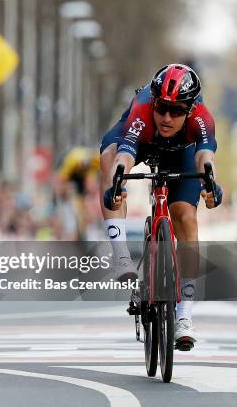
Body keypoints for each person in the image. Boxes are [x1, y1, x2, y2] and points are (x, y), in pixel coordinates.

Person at [99, 63, 221, 350]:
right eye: (162, 108)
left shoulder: (202, 119)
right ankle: (121, 257)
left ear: (190, 109)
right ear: (153, 101)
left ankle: (184, 315)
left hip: (181, 152)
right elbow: (126, 153)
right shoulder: (142, 111)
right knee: (109, 157)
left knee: (185, 217)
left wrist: (210, 184)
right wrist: (117, 182)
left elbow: (205, 155)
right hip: (141, 141)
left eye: (177, 110)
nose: (167, 117)